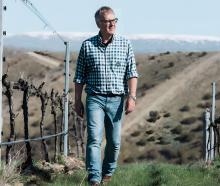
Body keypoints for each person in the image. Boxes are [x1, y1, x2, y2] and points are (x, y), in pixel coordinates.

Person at [74, 6, 138, 186]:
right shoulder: (88, 45)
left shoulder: (125, 44)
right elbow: (79, 76)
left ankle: (107, 174)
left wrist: (131, 97)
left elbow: (132, 73)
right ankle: (94, 178)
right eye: (107, 21)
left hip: (117, 99)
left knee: (114, 142)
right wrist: (77, 100)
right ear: (98, 23)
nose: (111, 24)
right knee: (94, 138)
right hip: (95, 98)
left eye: (114, 20)